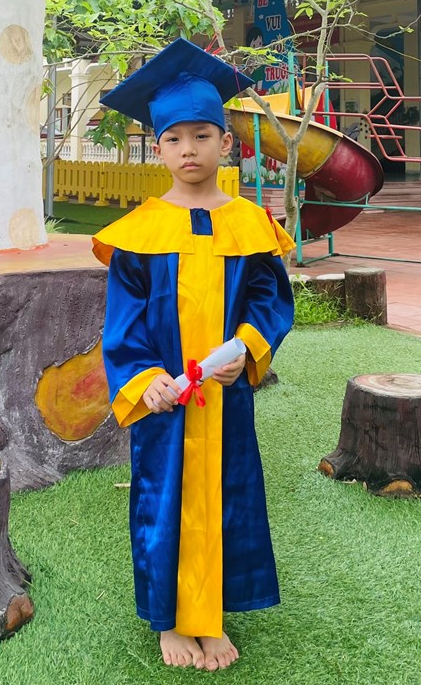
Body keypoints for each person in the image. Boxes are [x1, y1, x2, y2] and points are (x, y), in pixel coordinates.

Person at [93, 39, 294, 672]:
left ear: (225, 143)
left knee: (227, 495)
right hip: (168, 400)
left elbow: (269, 301)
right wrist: (144, 379)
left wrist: (249, 348)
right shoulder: (140, 232)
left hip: (225, 395)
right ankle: (171, 621)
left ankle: (210, 617)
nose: (189, 149)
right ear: (158, 149)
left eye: (202, 136)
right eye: (174, 138)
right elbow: (123, 323)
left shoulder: (249, 223)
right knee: (165, 500)